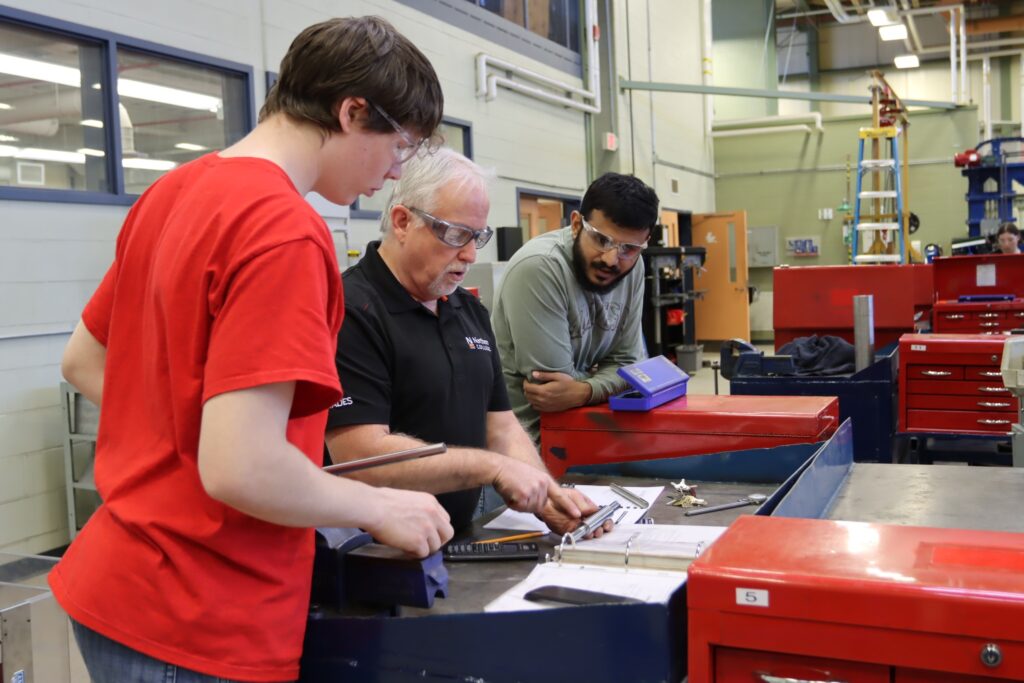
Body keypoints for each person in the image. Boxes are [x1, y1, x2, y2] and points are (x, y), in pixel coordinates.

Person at [51, 17, 454, 683]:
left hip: (118, 583)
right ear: (353, 111)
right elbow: (241, 468)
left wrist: (194, 435)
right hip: (200, 609)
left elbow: (85, 360)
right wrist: (381, 505)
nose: (393, 172)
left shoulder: (171, 193)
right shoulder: (285, 231)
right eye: (400, 145)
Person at [324, 148, 602, 535]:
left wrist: (548, 496)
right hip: (372, 548)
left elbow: (500, 429)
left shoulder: (467, 310)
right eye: (456, 234)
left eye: (478, 236)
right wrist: (492, 468)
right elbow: (360, 455)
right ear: (403, 221)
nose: (470, 254)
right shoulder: (349, 311)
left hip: (454, 538)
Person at [492, 172, 660, 442]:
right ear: (575, 224)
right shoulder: (540, 268)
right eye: (602, 239)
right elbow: (551, 391)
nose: (612, 259)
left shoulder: (634, 267)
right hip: (527, 443)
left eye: (629, 248)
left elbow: (630, 364)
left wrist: (583, 390)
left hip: (588, 428)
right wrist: (611, 379)